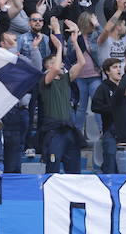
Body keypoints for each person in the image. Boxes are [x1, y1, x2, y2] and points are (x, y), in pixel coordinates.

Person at [39, 20, 86, 174]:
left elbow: (82, 62)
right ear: (48, 67)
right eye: (54, 63)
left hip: (69, 130)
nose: (61, 66)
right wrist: (59, 48)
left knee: (74, 172)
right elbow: (57, 67)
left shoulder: (66, 79)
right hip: (54, 132)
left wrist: (75, 43)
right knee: (52, 171)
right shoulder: (44, 80)